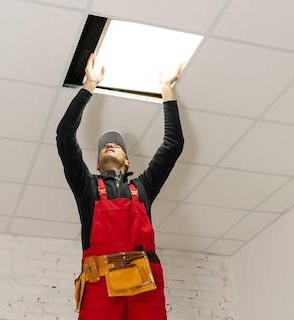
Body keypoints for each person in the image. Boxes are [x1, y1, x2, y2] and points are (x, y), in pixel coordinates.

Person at [56, 53, 184, 320]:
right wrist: (89, 86)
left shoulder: (143, 187)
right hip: (99, 282)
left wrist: (166, 89)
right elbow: (64, 135)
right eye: (104, 146)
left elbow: (173, 144)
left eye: (116, 146)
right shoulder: (86, 186)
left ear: (127, 162)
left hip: (145, 282)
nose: (109, 145)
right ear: (98, 164)